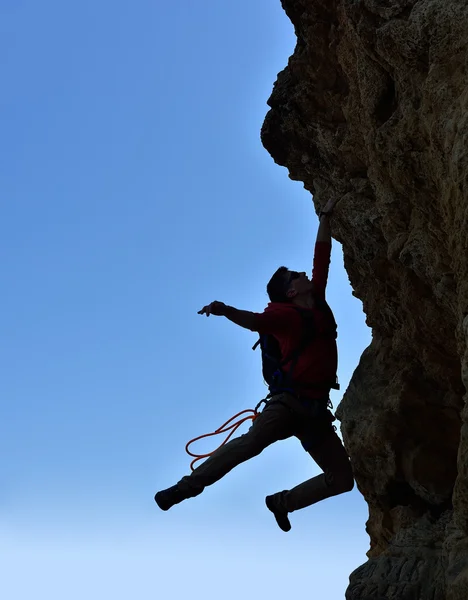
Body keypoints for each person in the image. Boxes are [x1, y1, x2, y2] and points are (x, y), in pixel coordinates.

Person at [154, 197, 354, 531]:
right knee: (250, 445)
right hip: (288, 405)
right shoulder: (282, 315)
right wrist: (224, 310)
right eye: (296, 276)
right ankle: (185, 488)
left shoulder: (316, 302)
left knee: (343, 479)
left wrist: (326, 217)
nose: (304, 274)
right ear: (290, 292)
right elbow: (255, 322)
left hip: (316, 411)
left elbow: (322, 259)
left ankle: (282, 503)